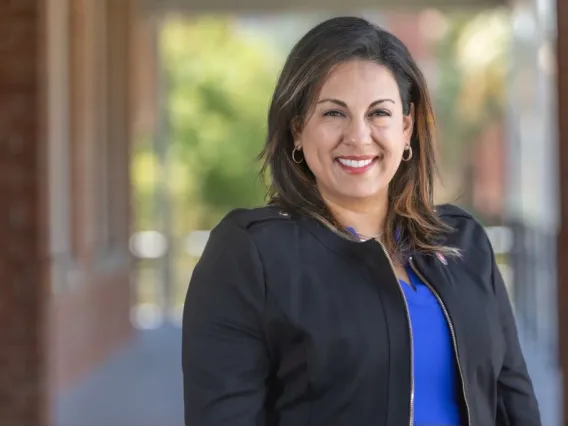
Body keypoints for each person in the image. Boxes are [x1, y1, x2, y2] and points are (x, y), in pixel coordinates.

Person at [181, 16, 541, 426]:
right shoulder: (251, 254)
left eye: (379, 114)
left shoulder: (464, 243)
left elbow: (515, 405)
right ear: (298, 129)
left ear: (406, 129)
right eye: (334, 113)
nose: (358, 136)